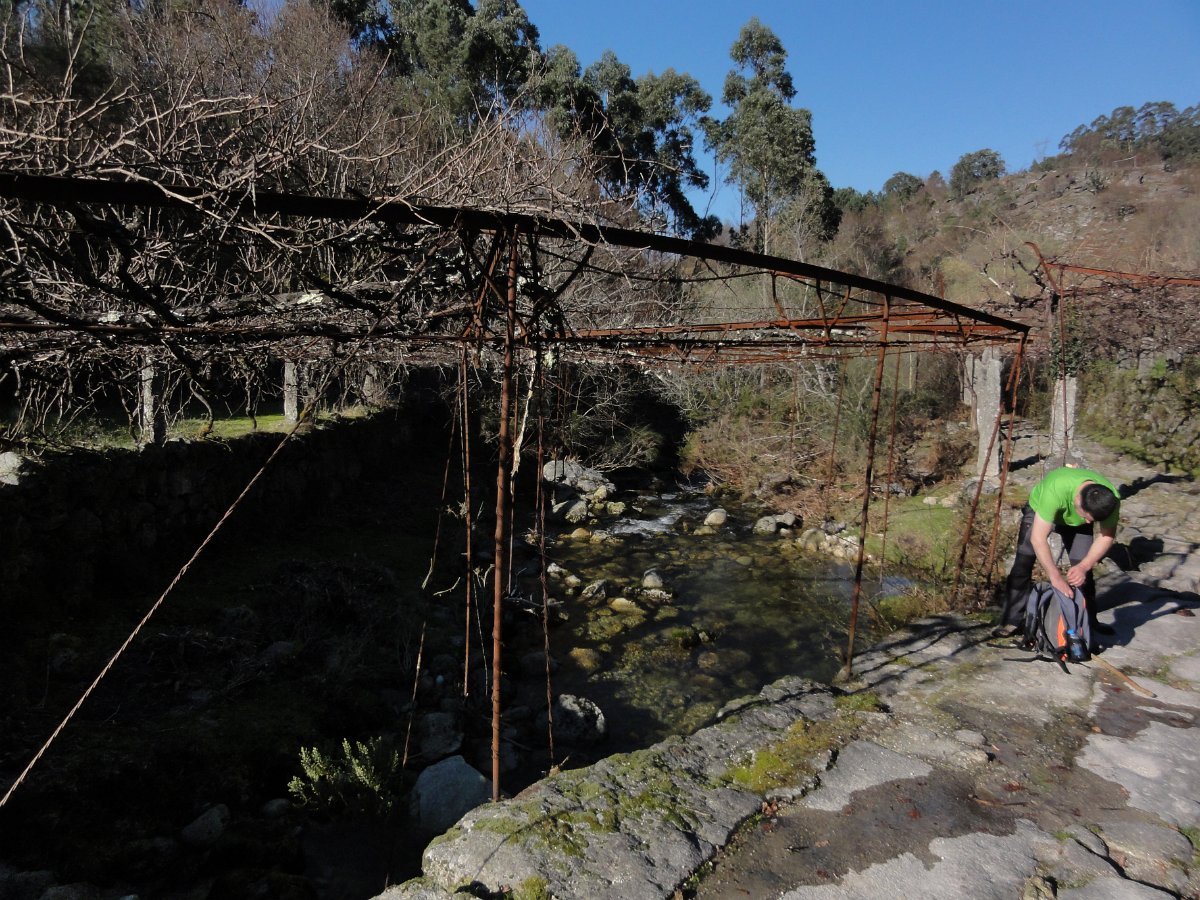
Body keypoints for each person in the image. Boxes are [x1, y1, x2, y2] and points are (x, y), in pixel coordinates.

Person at [997, 466, 1120, 645]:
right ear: (1077, 500)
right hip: (1040, 510)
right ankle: (1011, 621)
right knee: (1023, 562)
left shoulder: (1110, 499)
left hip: (1074, 517)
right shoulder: (1056, 489)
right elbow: (1038, 538)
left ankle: (1088, 622)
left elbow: (1106, 536)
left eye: (1093, 520)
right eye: (1087, 517)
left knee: (1083, 572)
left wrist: (1084, 566)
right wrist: (1055, 577)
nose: (1088, 522)